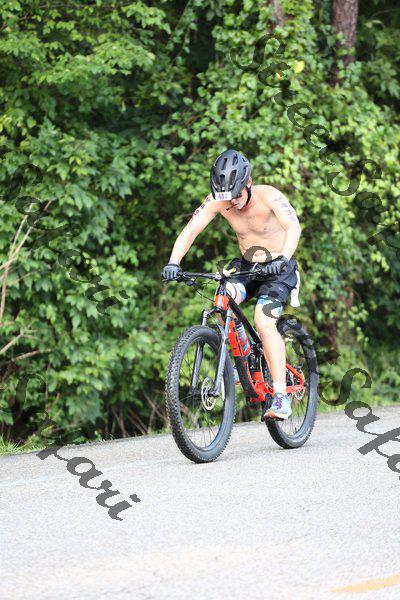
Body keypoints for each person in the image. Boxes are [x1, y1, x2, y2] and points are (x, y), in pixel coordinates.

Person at [162, 149, 302, 420]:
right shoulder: (219, 200)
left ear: (249, 183)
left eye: (237, 194)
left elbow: (293, 226)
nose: (233, 202)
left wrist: (284, 258)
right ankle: (244, 360)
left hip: (278, 269)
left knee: (263, 322)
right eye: (227, 197)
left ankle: (281, 395)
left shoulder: (270, 196)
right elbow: (191, 229)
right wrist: (173, 262)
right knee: (223, 297)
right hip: (247, 267)